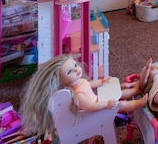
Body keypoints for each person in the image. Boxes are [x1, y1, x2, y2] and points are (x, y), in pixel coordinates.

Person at [19, 54, 147, 139]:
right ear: (60, 80)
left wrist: (101, 82)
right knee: (120, 104)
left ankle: (135, 89)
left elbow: (90, 84)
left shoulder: (79, 82)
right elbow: (90, 107)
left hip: (98, 102)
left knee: (120, 92)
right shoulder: (78, 95)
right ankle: (139, 103)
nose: (76, 70)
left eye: (75, 65)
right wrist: (106, 104)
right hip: (96, 110)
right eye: (70, 71)